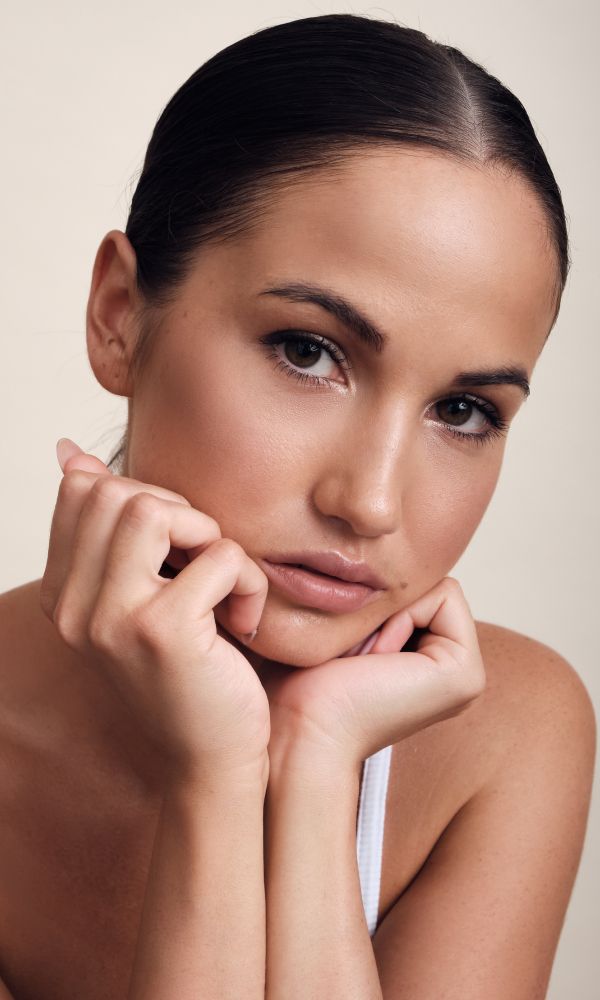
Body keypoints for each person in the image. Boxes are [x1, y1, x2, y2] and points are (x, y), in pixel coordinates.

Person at [0, 12, 595, 1000]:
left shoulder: (509, 731)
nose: (369, 501)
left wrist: (314, 771)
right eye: (307, 351)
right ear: (119, 315)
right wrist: (216, 780)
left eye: (462, 410)